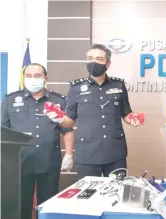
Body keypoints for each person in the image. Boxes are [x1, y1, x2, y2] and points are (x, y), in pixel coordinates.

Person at [45, 44, 143, 179]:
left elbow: (126, 114)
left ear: (108, 64)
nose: (93, 62)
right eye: (90, 58)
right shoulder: (76, 88)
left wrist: (133, 119)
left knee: (117, 193)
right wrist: (60, 119)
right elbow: (69, 122)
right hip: (87, 155)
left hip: (115, 153)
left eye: (99, 59)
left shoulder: (118, 85)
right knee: (88, 195)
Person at [1, 63, 74, 219]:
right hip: (19, 163)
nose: (32, 79)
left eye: (37, 76)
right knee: (20, 208)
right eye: (28, 76)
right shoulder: (10, 100)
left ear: (45, 78)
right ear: (24, 78)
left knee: (47, 207)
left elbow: (67, 129)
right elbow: (3, 132)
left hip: (48, 161)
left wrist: (69, 154)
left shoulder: (59, 100)